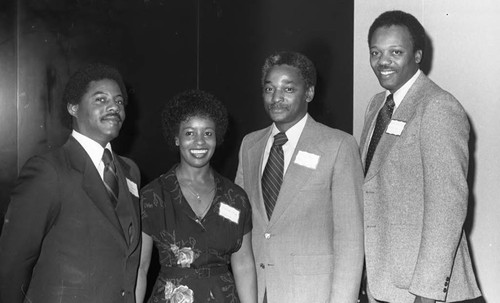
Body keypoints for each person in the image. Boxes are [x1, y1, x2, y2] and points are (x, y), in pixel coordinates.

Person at [360, 10, 482, 303]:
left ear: (417, 55)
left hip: (422, 292)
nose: (383, 61)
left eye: (395, 52)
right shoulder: (377, 105)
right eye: (375, 52)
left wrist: (426, 295)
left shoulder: (438, 106)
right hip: (385, 284)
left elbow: (447, 206)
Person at [0, 63, 141, 302]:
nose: (113, 107)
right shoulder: (49, 170)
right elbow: (14, 260)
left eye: (119, 101)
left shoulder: (130, 172)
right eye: (100, 99)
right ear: (73, 107)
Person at [235, 51, 364, 303]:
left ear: (309, 93)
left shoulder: (338, 145)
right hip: (255, 291)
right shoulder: (249, 145)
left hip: (311, 293)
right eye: (269, 89)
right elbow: (241, 224)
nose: (277, 98)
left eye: (288, 89)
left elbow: (351, 240)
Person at [136, 89, 257, 303]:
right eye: (190, 133)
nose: (199, 142)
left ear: (217, 138)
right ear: (176, 138)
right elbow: (140, 268)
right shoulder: (152, 196)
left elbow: (244, 265)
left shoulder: (236, 197)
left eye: (207, 133)